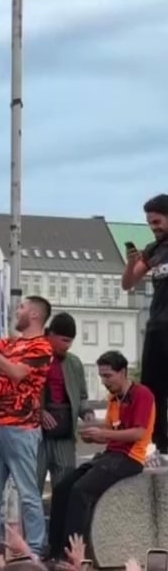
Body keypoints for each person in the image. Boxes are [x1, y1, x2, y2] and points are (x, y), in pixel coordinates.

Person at [46, 351, 155, 560]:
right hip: (110, 455)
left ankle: (74, 555)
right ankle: (55, 549)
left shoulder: (142, 394)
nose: (104, 381)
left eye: (108, 376)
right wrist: (94, 437)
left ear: (122, 372)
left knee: (80, 491)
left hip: (130, 459)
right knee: (62, 488)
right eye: (101, 376)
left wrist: (103, 434)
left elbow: (138, 433)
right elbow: (112, 433)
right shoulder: (114, 399)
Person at [0, 296, 54, 556]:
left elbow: (18, 373)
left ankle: (35, 548)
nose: (16, 311)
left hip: (21, 427)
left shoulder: (42, 347)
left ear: (34, 315)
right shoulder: (13, 342)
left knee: (27, 492)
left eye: (21, 307)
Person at [120, 193, 168, 454]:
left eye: (158, 221)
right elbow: (128, 284)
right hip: (157, 326)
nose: (154, 227)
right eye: (150, 223)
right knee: (152, 386)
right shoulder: (154, 250)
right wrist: (131, 263)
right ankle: (162, 445)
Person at [37, 313, 93, 492]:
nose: (67, 346)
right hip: (36, 436)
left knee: (64, 490)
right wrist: (39, 411)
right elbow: (21, 392)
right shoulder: (34, 357)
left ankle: (59, 521)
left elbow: (82, 396)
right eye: (64, 340)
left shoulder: (74, 364)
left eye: (70, 341)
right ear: (50, 335)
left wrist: (87, 412)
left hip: (64, 435)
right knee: (30, 490)